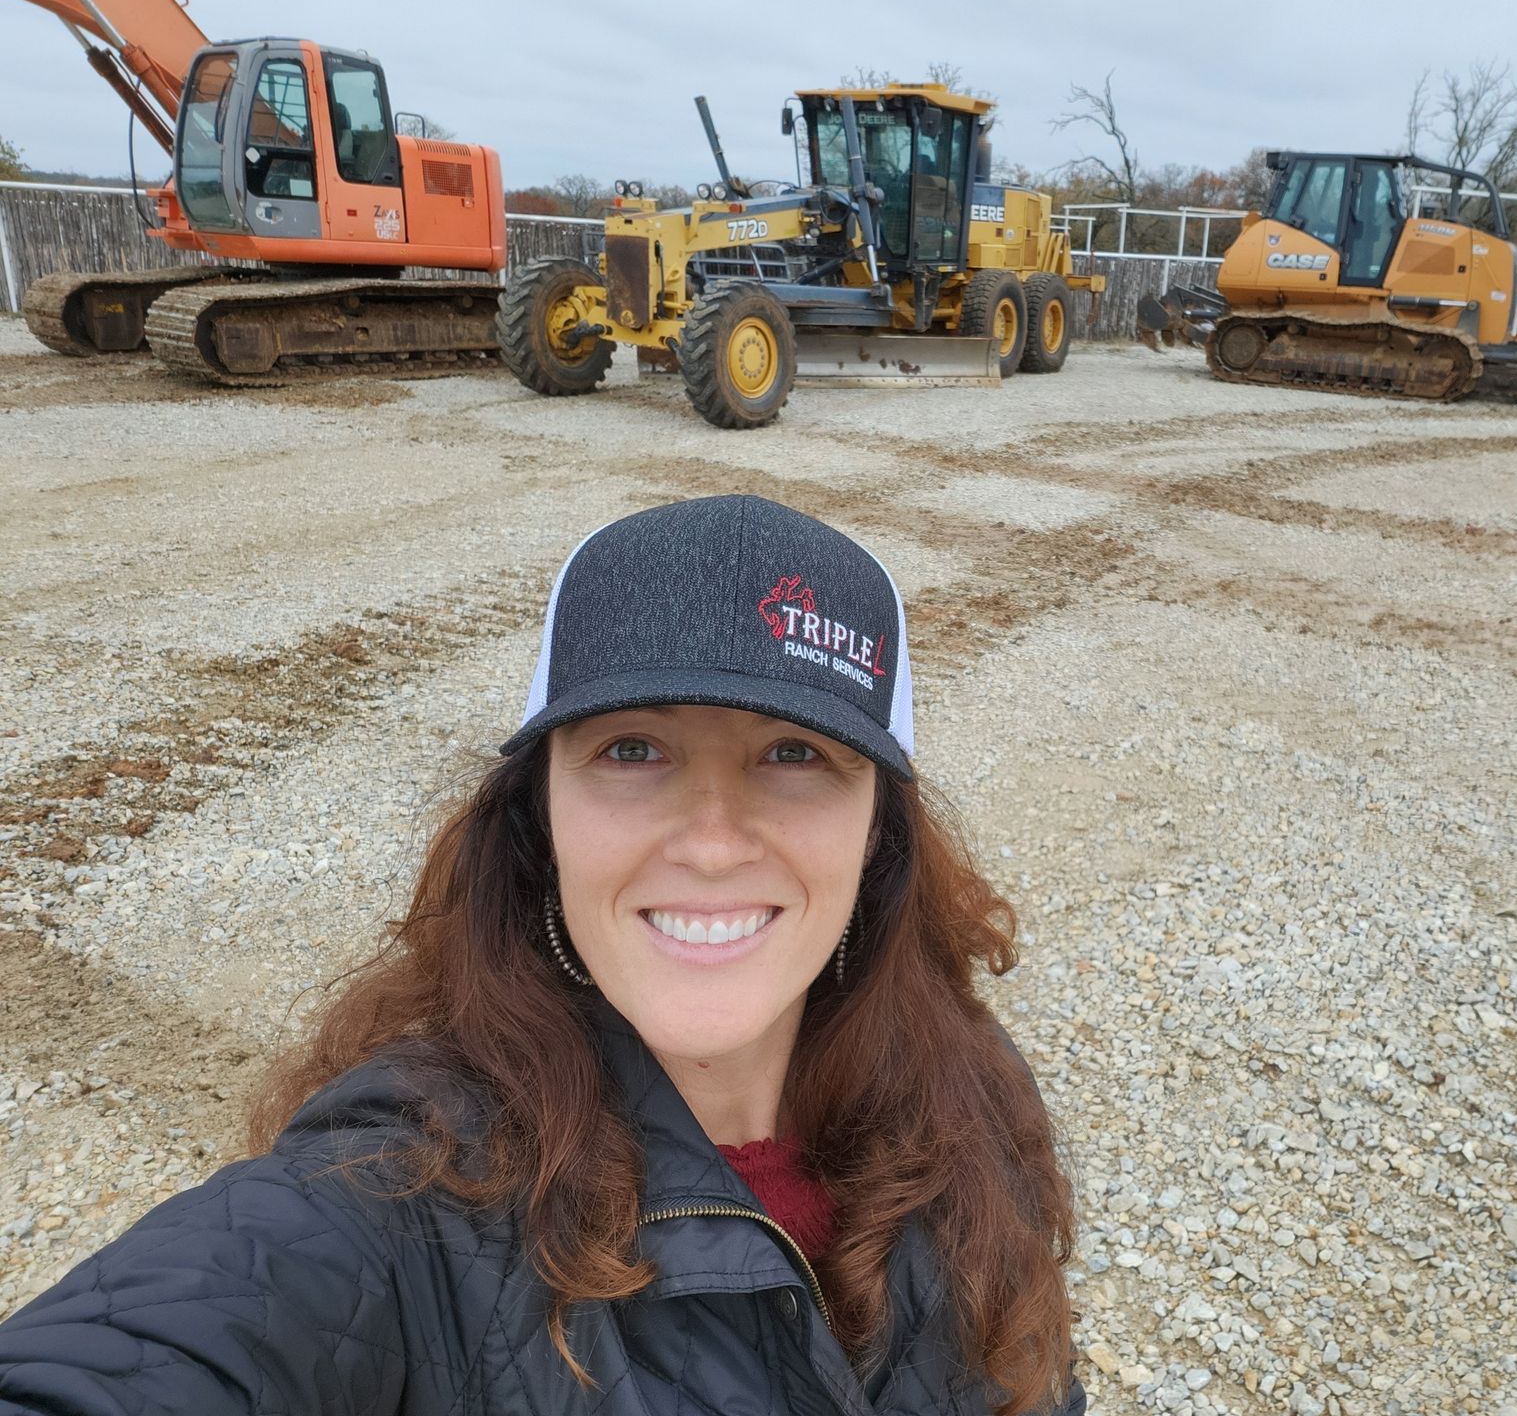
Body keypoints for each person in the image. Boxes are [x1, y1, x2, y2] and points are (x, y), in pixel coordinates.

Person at [0, 495, 1084, 1416]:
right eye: (632, 750)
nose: (710, 839)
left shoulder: (969, 1098)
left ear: (879, 833)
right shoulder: (409, 1190)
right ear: (538, 821)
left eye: (795, 753)